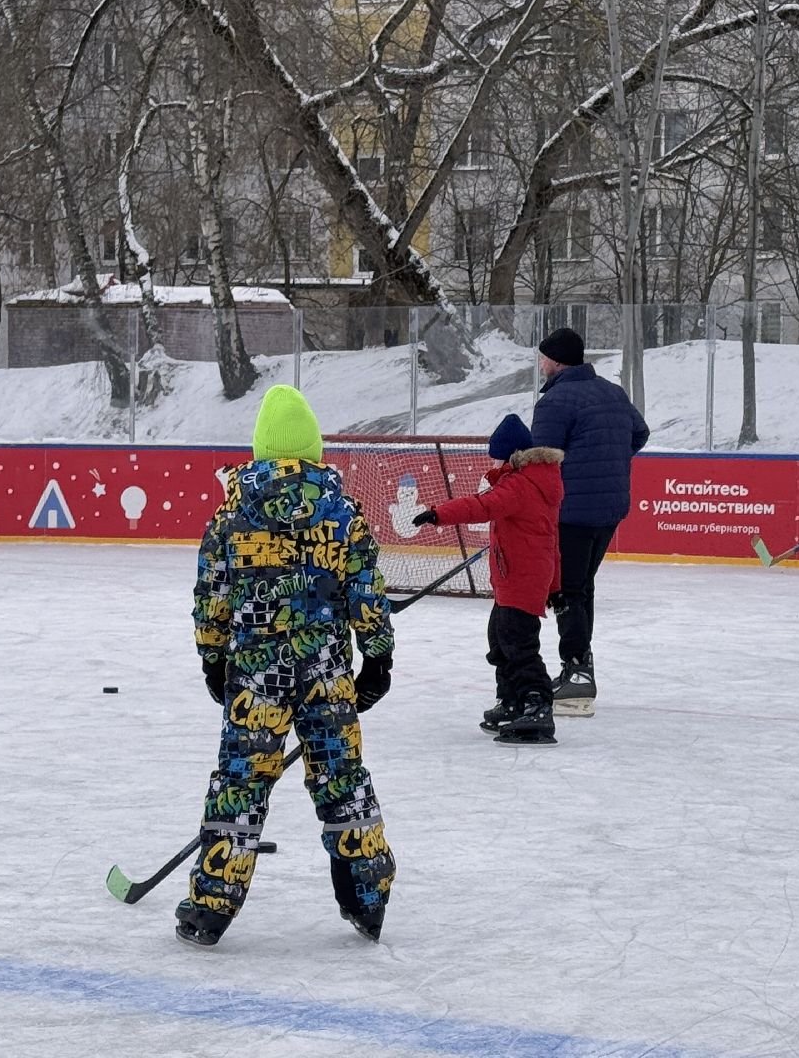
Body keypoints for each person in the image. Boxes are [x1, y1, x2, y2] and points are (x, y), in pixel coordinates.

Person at [178, 384, 397, 947]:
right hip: (326, 673)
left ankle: (210, 907)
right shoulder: (342, 509)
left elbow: (214, 592)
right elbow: (366, 589)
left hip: (257, 679)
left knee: (241, 782)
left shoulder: (233, 510)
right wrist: (377, 656)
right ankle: (368, 898)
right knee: (342, 779)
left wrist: (212, 654)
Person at [412, 413, 564, 746]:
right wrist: (555, 586)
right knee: (500, 638)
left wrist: (439, 513)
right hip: (518, 577)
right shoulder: (535, 480)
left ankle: (537, 705)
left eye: (497, 455)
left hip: (519, 579)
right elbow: (551, 542)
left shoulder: (520, 485)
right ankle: (511, 700)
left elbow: (481, 506)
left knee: (518, 644)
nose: (493, 461)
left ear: (512, 455)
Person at [530, 326, 650, 717]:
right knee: (581, 587)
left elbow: (540, 459)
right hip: (609, 509)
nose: (541, 364)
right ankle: (578, 667)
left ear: (557, 361)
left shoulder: (556, 400)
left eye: (544, 357)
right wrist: (608, 463)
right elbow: (639, 432)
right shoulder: (612, 392)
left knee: (567, 589)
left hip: (571, 510)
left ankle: (578, 672)